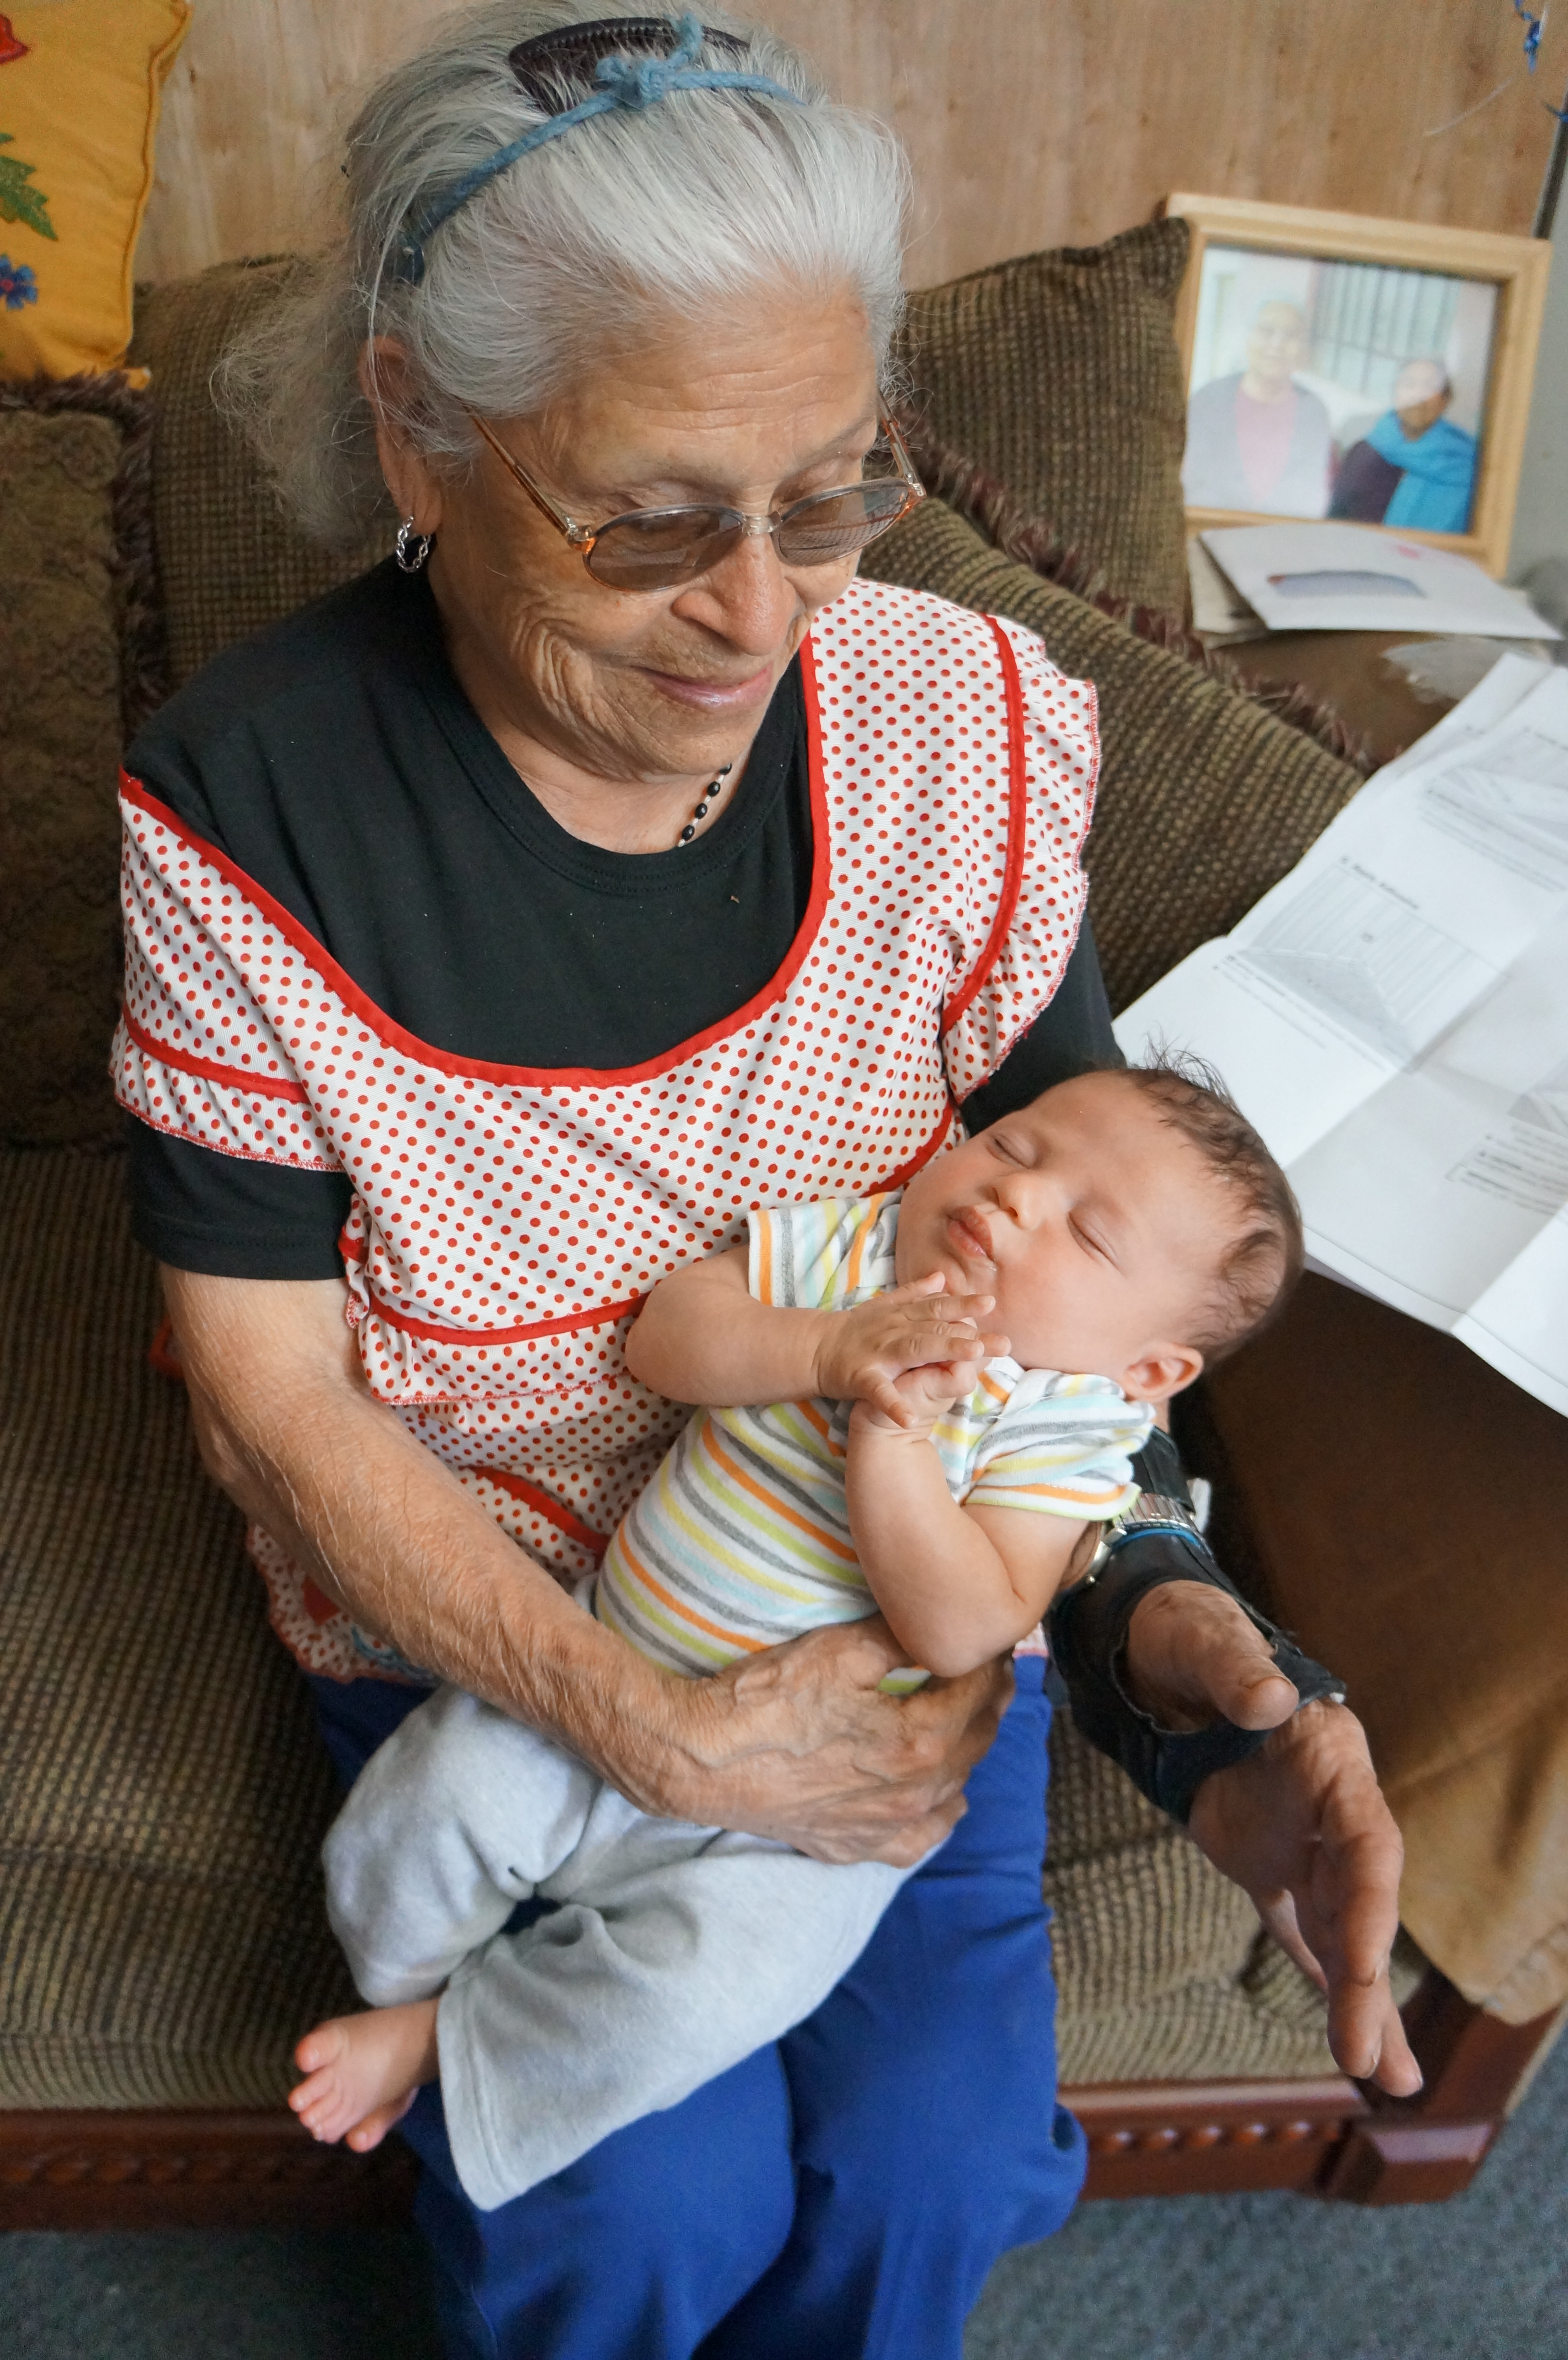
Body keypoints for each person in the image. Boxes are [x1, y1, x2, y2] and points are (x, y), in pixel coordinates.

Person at [117, 8, 1417, 2353]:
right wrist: (644, 1724)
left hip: (887, 1604)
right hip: (509, 1618)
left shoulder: (957, 727)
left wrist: (1208, 1688)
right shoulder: (252, 809)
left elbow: (1090, 1276)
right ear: (419, 427)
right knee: (631, 2214)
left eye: (828, 495)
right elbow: (271, 1399)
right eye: (653, 516)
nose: (764, 610)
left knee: (931, 2171)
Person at [288, 1060, 1301, 2210]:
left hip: (816, 1816)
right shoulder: (858, 1253)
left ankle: (453, 2038)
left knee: (706, 1995)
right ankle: (404, 1978)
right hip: (604, 1670)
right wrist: (827, 1348)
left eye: (1087, 1230)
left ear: (1150, 1369)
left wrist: (893, 1436)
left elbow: (964, 1622)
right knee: (429, 1805)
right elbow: (667, 1335)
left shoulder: (1065, 1428)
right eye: (1014, 1145)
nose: (1016, 1193)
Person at [1182, 297, 1333, 516]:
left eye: (1291, 336)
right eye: (1266, 331)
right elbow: (1191, 486)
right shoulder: (1208, 401)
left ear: (1303, 348)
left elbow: (1311, 497)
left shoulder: (1314, 413)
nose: (1277, 345)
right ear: (1248, 338)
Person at [1329, 358, 1477, 534]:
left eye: (1430, 387)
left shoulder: (1467, 464)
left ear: (1445, 400)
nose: (1419, 396)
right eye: (1409, 385)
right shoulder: (1366, 454)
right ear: (1396, 395)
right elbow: (1336, 519)